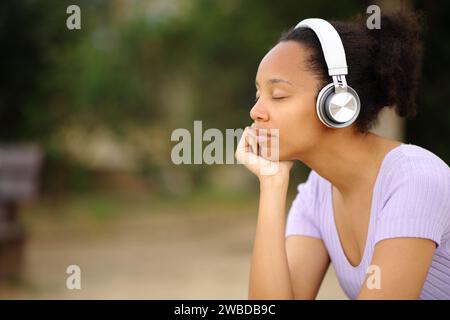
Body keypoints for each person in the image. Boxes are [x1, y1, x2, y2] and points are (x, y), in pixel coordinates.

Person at [235, 11, 450, 300]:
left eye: (279, 95)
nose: (255, 112)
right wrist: (272, 185)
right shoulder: (316, 193)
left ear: (338, 104)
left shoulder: (415, 182)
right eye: (258, 94)